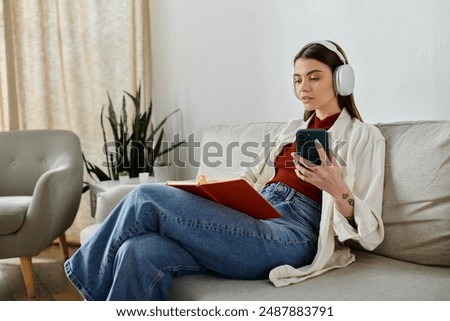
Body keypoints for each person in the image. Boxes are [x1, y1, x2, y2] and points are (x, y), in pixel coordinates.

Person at [64, 40, 385, 300]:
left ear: (342, 79)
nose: (304, 87)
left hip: (294, 233)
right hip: (255, 215)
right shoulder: (290, 130)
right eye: (297, 79)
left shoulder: (363, 136)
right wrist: (210, 190)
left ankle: (83, 281)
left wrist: (336, 187)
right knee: (139, 251)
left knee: (146, 196)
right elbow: (249, 178)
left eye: (314, 76)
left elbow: (371, 232)